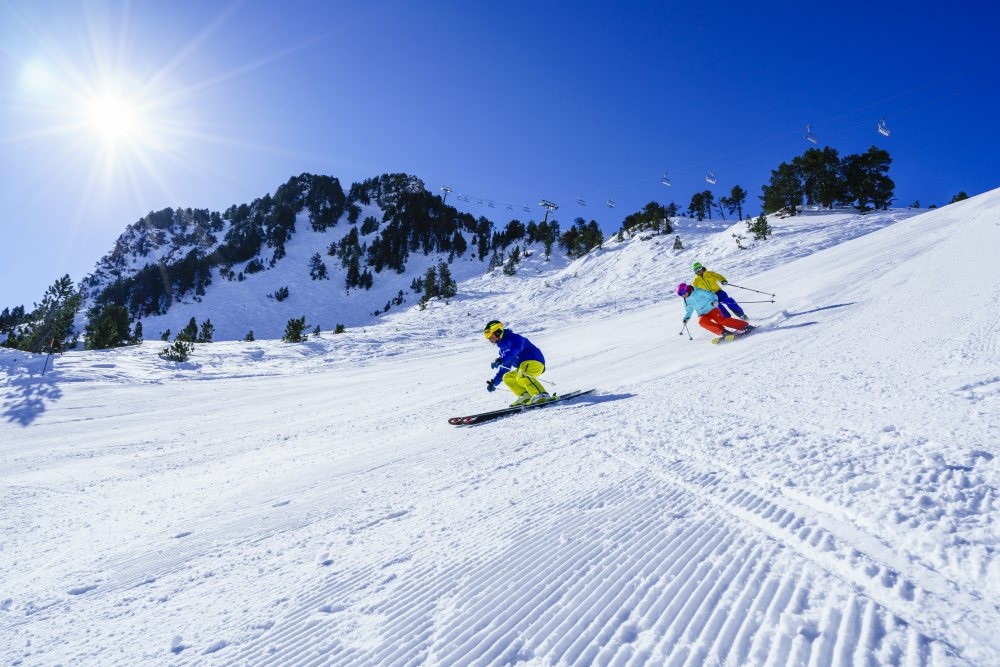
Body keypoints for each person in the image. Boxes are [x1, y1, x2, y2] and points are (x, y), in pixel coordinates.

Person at [483, 320, 550, 406]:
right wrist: (494, 382)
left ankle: (541, 394)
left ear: (497, 331)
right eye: (486, 335)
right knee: (507, 377)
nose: (488, 338)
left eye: (489, 334)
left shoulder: (514, 338)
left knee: (522, 374)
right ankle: (526, 396)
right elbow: (504, 369)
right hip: (523, 367)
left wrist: (502, 359)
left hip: (535, 362)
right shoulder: (502, 351)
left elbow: (515, 349)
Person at [677, 283, 754, 337]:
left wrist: (714, 301)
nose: (683, 295)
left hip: (711, 308)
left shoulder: (698, 291)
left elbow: (711, 295)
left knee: (721, 320)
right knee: (701, 322)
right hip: (702, 313)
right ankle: (724, 332)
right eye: (680, 294)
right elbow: (689, 310)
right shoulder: (686, 300)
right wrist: (686, 318)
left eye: (683, 292)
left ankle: (745, 326)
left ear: (686, 289)